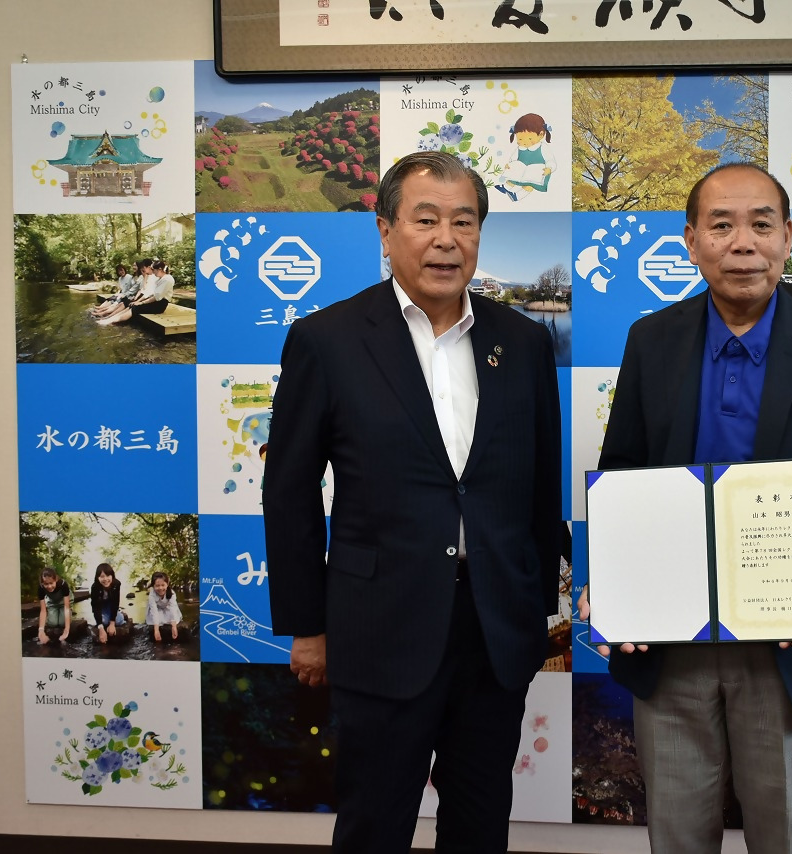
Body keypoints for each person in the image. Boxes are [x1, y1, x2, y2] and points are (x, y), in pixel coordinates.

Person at [578, 162, 792, 853]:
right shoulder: (651, 340)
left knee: (784, 834)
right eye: (720, 225)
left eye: (761, 224)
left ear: (788, 237)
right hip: (671, 641)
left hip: (788, 640)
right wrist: (615, 584)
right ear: (691, 241)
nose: (742, 242)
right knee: (677, 835)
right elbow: (624, 478)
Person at [263, 150, 563, 853]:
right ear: (385, 229)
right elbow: (290, 490)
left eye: (464, 221)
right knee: (374, 821)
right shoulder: (327, 340)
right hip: (380, 626)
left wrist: (539, 597)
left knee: (481, 820)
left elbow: (539, 477)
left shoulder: (520, 341)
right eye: (425, 219)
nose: (446, 239)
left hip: (493, 631)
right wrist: (308, 626)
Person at [98, 259, 173, 326]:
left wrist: (141, 302)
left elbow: (156, 297)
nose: (153, 272)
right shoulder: (160, 278)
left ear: (160, 269)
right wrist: (139, 301)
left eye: (154, 270)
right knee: (132, 305)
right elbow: (150, 293)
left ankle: (110, 320)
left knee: (135, 308)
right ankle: (110, 319)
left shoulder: (167, 279)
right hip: (155, 301)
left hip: (159, 305)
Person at [36, 567, 72, 645]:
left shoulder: (63, 584)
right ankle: (55, 611)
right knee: (52, 623)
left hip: (64, 602)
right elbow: (43, 610)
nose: (49, 586)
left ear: (55, 580)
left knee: (63, 623)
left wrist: (67, 629)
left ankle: (69, 614)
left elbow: (66, 608)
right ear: (42, 583)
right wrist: (41, 630)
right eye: (46, 584)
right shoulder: (41, 588)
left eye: (51, 583)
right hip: (53, 603)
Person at [89, 562, 122, 644]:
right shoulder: (95, 587)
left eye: (108, 576)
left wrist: (112, 624)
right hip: (101, 606)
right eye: (102, 576)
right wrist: (100, 628)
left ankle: (121, 615)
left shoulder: (116, 584)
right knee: (103, 622)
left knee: (119, 621)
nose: (105, 579)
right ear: (98, 577)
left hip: (111, 604)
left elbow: (115, 603)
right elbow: (95, 607)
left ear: (112, 576)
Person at [146, 571, 181, 642]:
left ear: (167, 584)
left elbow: (172, 608)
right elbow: (154, 611)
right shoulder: (152, 595)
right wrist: (156, 630)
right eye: (157, 586)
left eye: (163, 585)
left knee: (172, 619)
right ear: (153, 586)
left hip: (168, 609)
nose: (160, 588)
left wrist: (174, 627)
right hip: (157, 609)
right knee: (157, 619)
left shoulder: (172, 593)